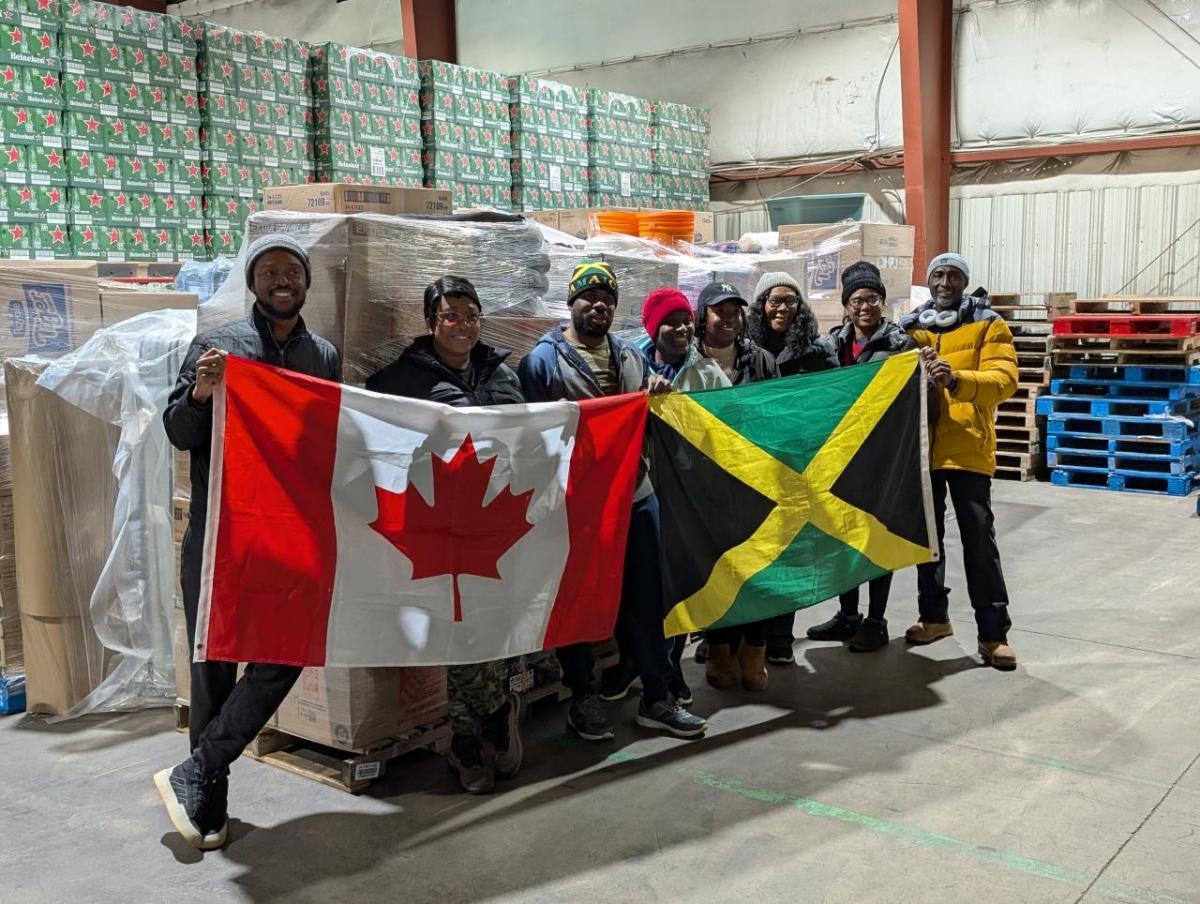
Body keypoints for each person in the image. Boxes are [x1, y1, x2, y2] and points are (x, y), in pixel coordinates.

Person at [156, 235, 341, 850]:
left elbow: (329, 441)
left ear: (306, 283)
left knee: (287, 651)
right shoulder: (219, 346)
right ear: (253, 282)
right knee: (213, 664)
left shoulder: (322, 356)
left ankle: (200, 765)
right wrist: (202, 393)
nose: (282, 280)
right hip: (221, 534)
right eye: (269, 271)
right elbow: (178, 432)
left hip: (289, 535)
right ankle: (208, 798)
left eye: (292, 271)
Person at [518, 261, 707, 740]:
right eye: (590, 296)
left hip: (635, 494)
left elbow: (648, 419)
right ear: (572, 302)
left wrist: (656, 390)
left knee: (648, 597)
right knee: (577, 599)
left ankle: (657, 697)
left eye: (608, 298)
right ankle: (582, 696)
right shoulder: (543, 361)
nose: (599, 304)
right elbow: (528, 437)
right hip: (575, 504)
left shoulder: (630, 357)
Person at [365, 275, 524, 795]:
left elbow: (530, 436)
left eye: (471, 315)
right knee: (458, 629)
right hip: (436, 526)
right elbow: (370, 432)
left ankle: (469, 740)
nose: (462, 325)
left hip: (495, 523)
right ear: (431, 321)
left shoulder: (502, 375)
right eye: (450, 315)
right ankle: (489, 721)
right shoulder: (402, 379)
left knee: (490, 626)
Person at [901, 252, 1019, 670]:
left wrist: (957, 380)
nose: (945, 283)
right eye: (938, 275)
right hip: (922, 450)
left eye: (953, 276)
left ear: (965, 282)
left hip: (968, 448)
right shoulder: (912, 327)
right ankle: (934, 618)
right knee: (926, 540)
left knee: (979, 541)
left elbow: (1005, 380)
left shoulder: (989, 324)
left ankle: (993, 635)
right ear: (929, 280)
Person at [805, 261, 917, 653]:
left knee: (876, 539)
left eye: (872, 299)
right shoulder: (831, 345)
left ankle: (876, 621)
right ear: (846, 306)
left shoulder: (900, 346)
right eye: (856, 300)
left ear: (883, 302)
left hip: (881, 459)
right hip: (840, 458)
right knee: (842, 538)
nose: (864, 307)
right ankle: (848, 615)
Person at [633, 287, 730, 706]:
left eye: (686, 321)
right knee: (646, 590)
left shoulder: (707, 374)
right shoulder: (631, 367)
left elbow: (731, 424)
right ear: (653, 329)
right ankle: (642, 667)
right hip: (643, 497)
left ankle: (671, 668)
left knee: (681, 588)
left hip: (688, 500)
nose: (682, 329)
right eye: (670, 322)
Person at [744, 273, 838, 666]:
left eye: (790, 300)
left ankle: (781, 637)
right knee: (751, 554)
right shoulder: (745, 349)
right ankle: (738, 638)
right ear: (761, 305)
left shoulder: (818, 352)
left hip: (798, 466)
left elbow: (834, 400)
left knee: (791, 554)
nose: (782, 308)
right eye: (774, 300)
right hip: (751, 466)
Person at [692, 281, 782, 692]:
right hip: (707, 485)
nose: (728, 318)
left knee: (759, 567)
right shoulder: (689, 360)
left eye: (734, 311)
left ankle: (754, 648)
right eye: (719, 311)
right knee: (717, 568)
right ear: (703, 316)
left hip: (755, 481)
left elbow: (778, 414)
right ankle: (720, 648)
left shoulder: (761, 360)